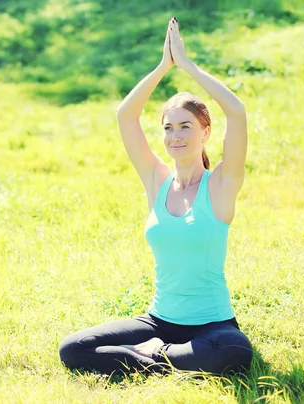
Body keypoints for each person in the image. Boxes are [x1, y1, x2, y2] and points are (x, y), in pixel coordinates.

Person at [58, 16, 252, 376]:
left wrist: (188, 66)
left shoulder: (221, 185)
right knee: (73, 349)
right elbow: (125, 115)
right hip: (158, 320)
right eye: (168, 128)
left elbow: (237, 112)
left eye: (185, 126)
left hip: (212, 325)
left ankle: (153, 357)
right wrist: (164, 66)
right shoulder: (156, 180)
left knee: (234, 349)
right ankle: (169, 357)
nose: (175, 136)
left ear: (205, 132)